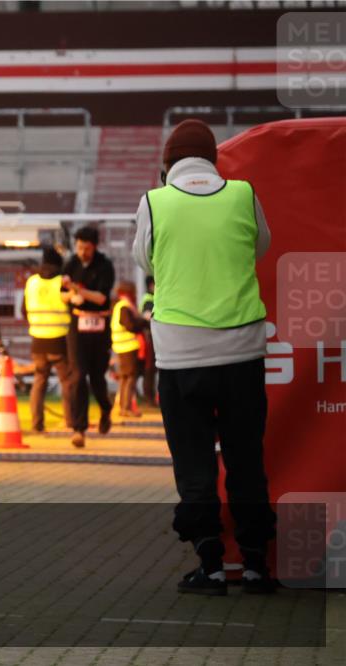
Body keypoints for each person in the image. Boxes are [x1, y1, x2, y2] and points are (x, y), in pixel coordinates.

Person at [133, 118, 276, 595]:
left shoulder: (154, 202)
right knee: (245, 458)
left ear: (167, 164)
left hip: (180, 355)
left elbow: (145, 260)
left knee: (194, 462)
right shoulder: (243, 193)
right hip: (242, 350)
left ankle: (211, 563)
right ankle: (256, 564)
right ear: (214, 160)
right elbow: (261, 246)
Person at [61, 226, 115, 448]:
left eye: (87, 248)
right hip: (77, 325)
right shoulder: (70, 264)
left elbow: (101, 298)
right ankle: (79, 428)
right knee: (77, 375)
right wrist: (69, 297)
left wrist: (77, 290)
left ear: (95, 247)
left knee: (97, 378)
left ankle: (105, 408)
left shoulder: (105, 266)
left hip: (99, 326)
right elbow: (61, 293)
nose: (82, 251)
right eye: (79, 247)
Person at [23, 246, 73, 433]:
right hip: (59, 340)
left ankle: (37, 425)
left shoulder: (32, 282)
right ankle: (70, 421)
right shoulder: (62, 281)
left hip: (37, 340)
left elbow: (23, 310)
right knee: (66, 382)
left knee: (39, 382)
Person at [110, 280, 147, 418]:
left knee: (125, 377)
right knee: (130, 378)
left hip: (122, 347)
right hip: (127, 347)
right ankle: (126, 408)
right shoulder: (125, 307)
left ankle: (123, 407)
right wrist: (143, 322)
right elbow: (130, 326)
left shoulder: (119, 305)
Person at [139, 276, 157, 406]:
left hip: (152, 336)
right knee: (149, 368)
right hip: (150, 337)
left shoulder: (151, 298)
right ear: (151, 285)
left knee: (151, 368)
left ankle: (150, 396)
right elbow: (147, 315)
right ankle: (148, 397)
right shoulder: (148, 299)